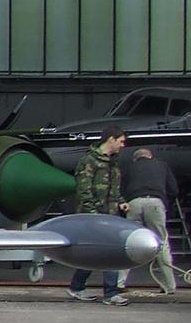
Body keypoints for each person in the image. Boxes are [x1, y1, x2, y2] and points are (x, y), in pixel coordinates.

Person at [68, 126, 129, 305]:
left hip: (110, 216)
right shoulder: (89, 162)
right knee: (110, 252)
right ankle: (110, 293)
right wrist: (93, 214)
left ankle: (77, 286)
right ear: (111, 139)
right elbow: (83, 190)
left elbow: (114, 190)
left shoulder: (113, 164)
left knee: (93, 254)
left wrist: (121, 202)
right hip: (93, 217)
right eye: (121, 141)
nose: (123, 145)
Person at [122, 147, 180, 295]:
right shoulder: (162, 165)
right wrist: (166, 204)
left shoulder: (130, 167)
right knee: (161, 242)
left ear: (136, 159)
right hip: (155, 202)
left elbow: (121, 188)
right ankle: (169, 285)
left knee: (129, 242)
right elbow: (173, 189)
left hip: (134, 203)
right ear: (150, 156)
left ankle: (119, 283)